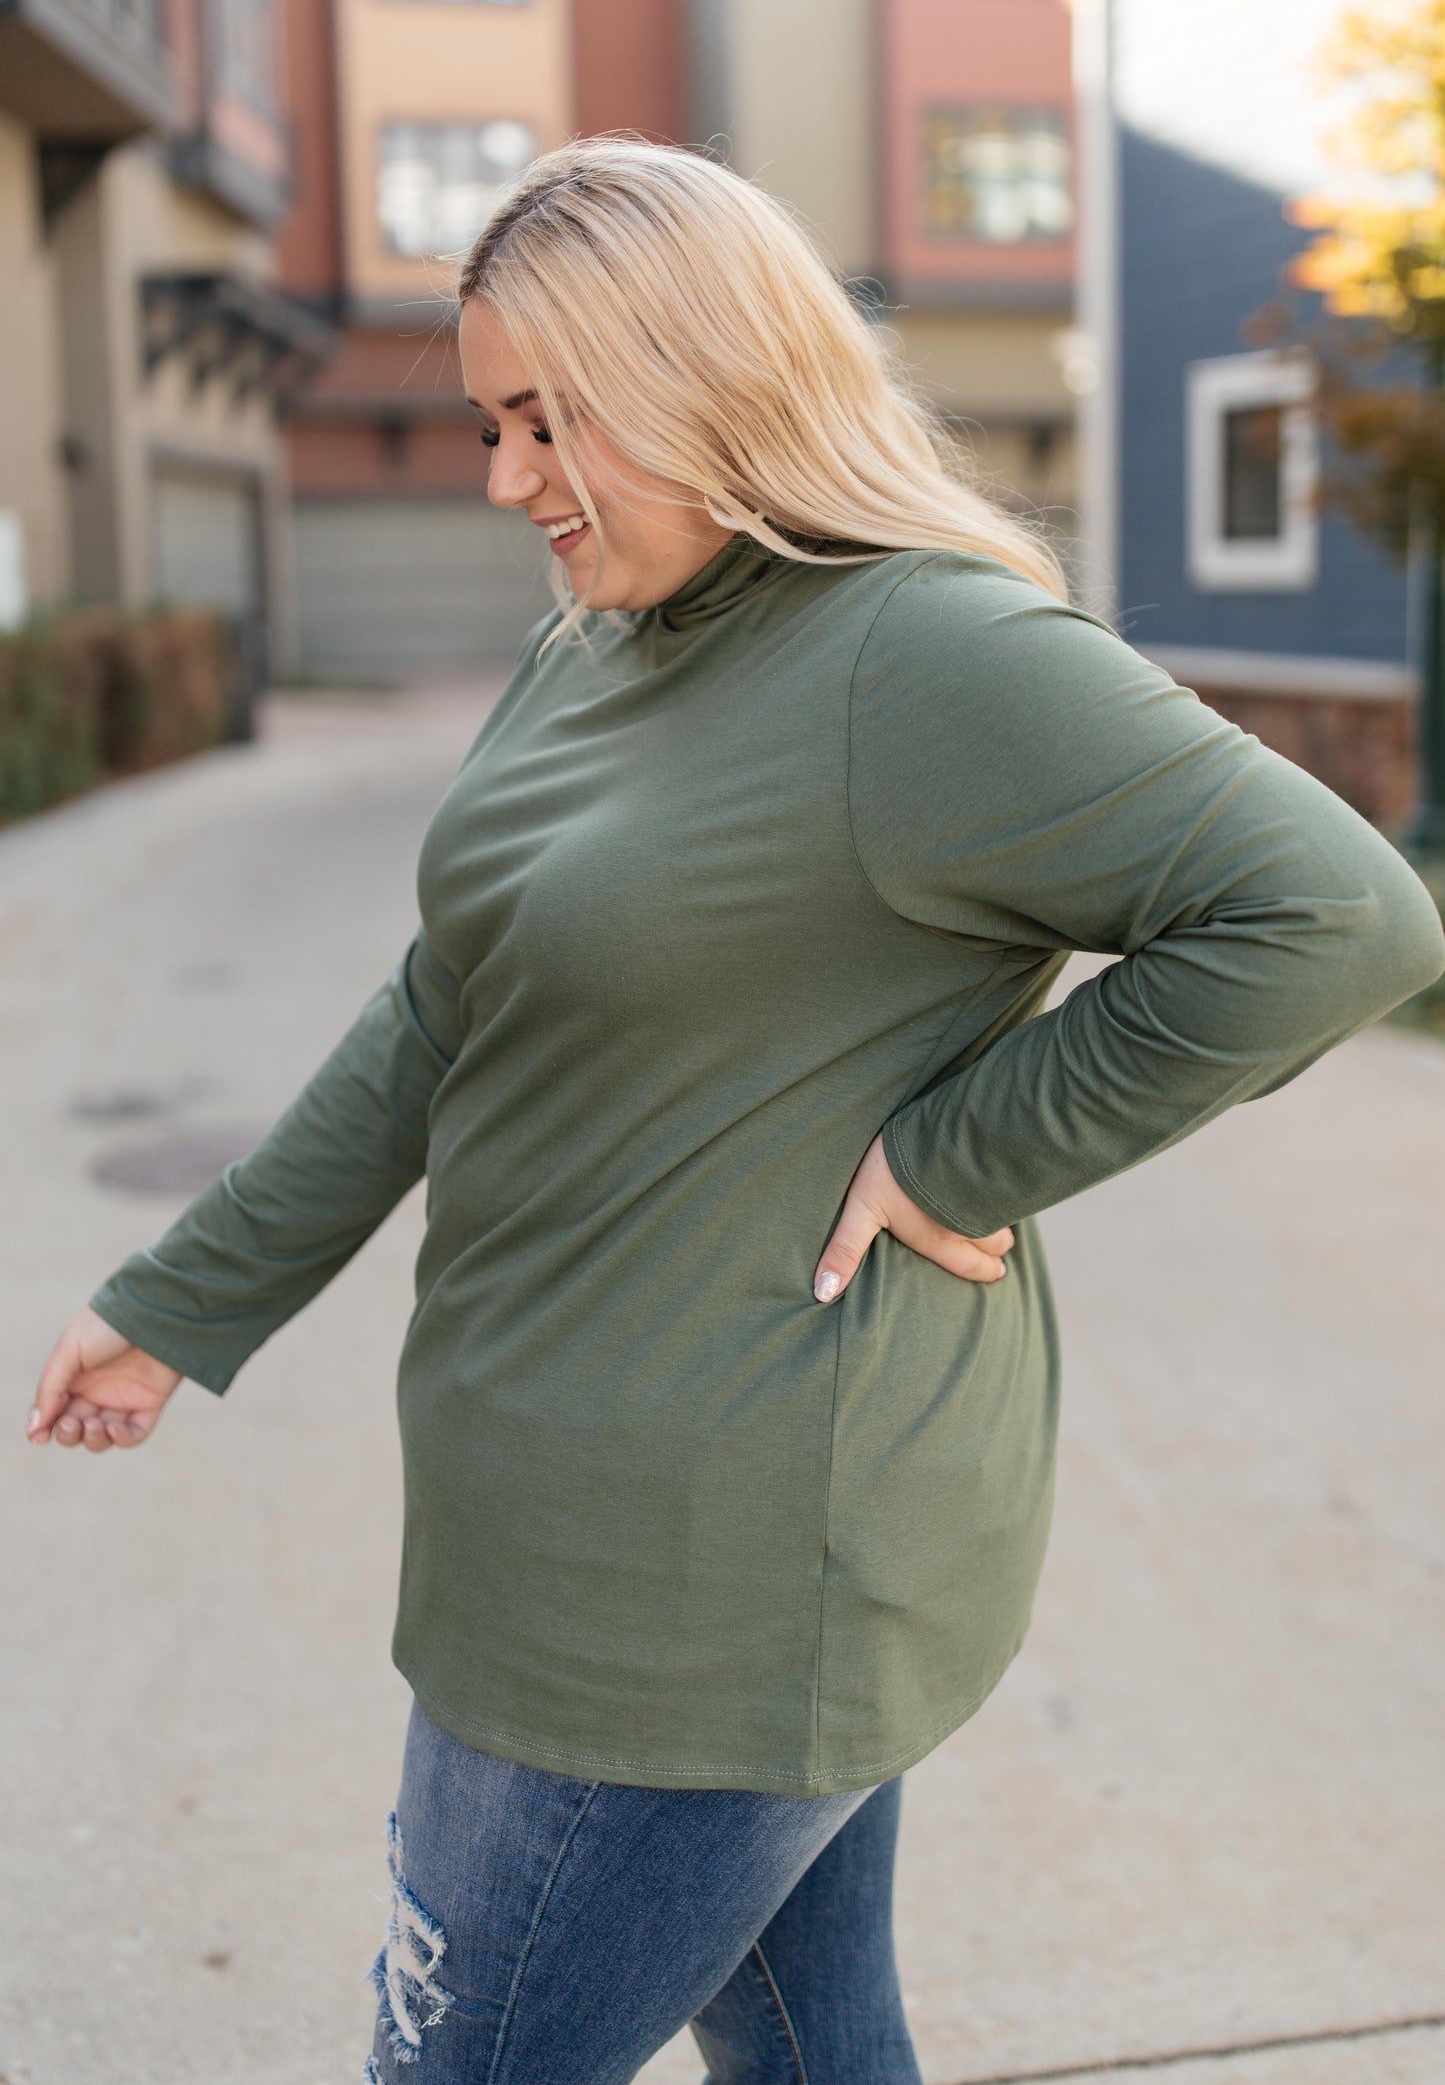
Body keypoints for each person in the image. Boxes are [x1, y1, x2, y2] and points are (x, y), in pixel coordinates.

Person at [26, 139, 1445, 2085]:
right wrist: (188, 1295)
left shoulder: (922, 656)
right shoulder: (591, 640)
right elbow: (443, 1005)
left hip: (721, 1573)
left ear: (712, 375)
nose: (507, 476)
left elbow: (1339, 915)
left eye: (550, 419)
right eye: (487, 420)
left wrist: (968, 1142)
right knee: (807, 2039)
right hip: (543, 1516)